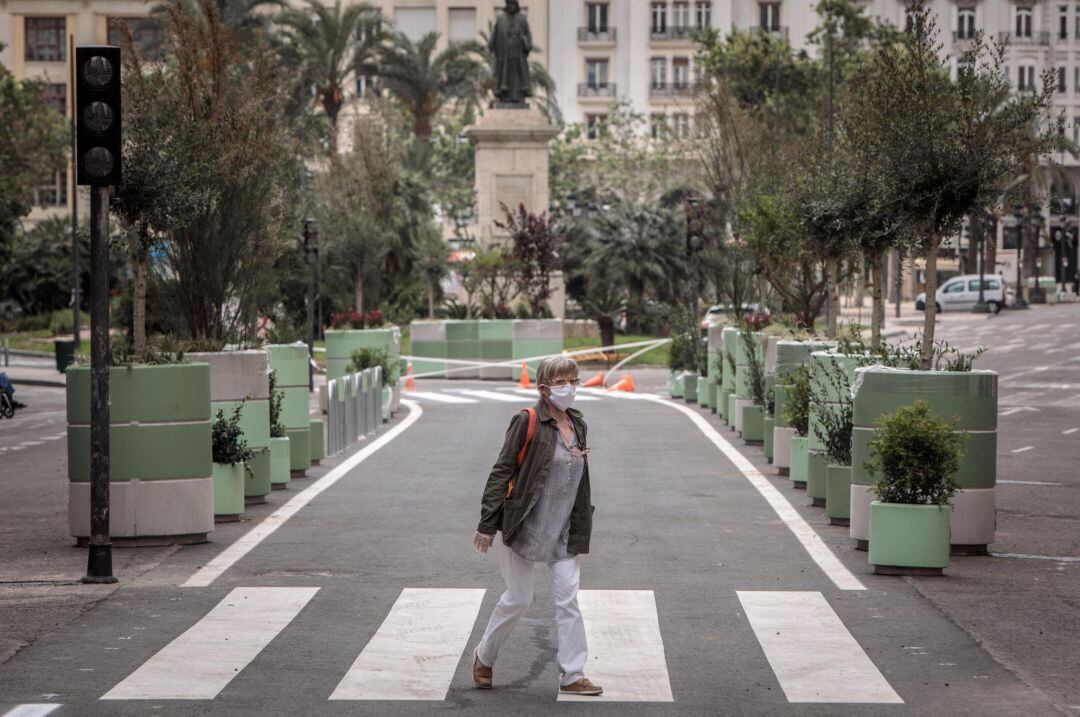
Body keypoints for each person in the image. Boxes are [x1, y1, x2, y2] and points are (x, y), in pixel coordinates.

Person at [471, 356, 601, 696]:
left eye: (573, 380)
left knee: (568, 601)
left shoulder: (577, 424)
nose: (569, 387)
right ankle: (484, 656)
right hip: (525, 526)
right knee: (518, 598)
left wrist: (582, 521)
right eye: (560, 382)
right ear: (543, 388)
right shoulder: (527, 421)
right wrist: (487, 524)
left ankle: (573, 675)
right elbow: (502, 470)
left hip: (564, 530)